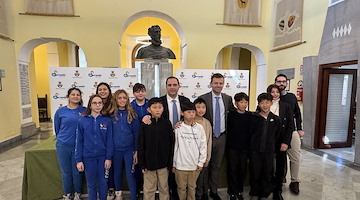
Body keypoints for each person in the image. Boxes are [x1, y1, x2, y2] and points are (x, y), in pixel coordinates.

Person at [199, 73, 235, 200]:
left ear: (223, 84)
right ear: (211, 83)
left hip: (222, 137)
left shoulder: (227, 99)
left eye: (220, 83)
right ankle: (203, 192)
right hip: (206, 137)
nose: (218, 85)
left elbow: (233, 115)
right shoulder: (203, 98)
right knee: (204, 166)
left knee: (216, 166)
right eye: (216, 83)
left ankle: (213, 191)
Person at [75, 94, 114, 200]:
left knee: (103, 183)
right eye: (94, 103)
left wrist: (108, 158)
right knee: (91, 184)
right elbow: (79, 142)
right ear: (90, 105)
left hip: (103, 158)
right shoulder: (82, 121)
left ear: (102, 105)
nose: (97, 105)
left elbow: (110, 141)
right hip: (88, 158)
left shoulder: (107, 121)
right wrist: (79, 160)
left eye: (100, 103)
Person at [137, 97, 175, 200]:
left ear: (163, 108)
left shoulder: (167, 124)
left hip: (164, 164)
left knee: (164, 187)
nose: (157, 110)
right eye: (154, 107)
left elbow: (171, 144)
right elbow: (141, 144)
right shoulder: (145, 124)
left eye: (159, 107)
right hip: (149, 164)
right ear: (149, 109)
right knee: (149, 189)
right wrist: (142, 163)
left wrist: (170, 162)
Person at [54, 88, 86, 200]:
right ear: (68, 97)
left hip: (79, 147)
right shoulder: (60, 111)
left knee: (77, 172)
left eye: (78, 95)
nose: (75, 96)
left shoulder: (84, 111)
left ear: (80, 97)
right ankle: (67, 194)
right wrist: (63, 140)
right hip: (63, 146)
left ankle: (77, 193)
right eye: (73, 94)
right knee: (66, 172)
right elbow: (57, 129)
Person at [275, 74, 304, 194]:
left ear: (287, 83)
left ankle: (294, 181)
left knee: (295, 157)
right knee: (278, 158)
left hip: (291, 131)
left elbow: (297, 113)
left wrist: (300, 128)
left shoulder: (291, 97)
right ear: (275, 82)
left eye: (283, 81)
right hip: (276, 133)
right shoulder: (270, 96)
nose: (281, 83)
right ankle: (279, 179)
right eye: (279, 81)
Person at [249, 93, 281, 200]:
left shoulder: (276, 119)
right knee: (255, 172)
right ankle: (254, 192)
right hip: (255, 151)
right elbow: (250, 133)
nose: (265, 105)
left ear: (271, 103)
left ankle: (264, 193)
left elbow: (277, 135)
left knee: (267, 172)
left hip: (269, 151)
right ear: (259, 104)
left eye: (267, 102)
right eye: (262, 103)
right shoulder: (254, 118)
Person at [173, 101, 207, 200]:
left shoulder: (200, 128)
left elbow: (203, 146)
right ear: (182, 113)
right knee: (181, 188)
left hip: (194, 165)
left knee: (192, 187)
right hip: (180, 165)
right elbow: (175, 147)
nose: (192, 114)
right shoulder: (178, 128)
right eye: (188, 112)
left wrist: (201, 162)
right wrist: (174, 164)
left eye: (193, 112)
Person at [266, 84, 294, 200]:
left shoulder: (286, 106)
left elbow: (290, 126)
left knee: (280, 165)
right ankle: (268, 186)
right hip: (267, 141)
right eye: (272, 92)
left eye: (277, 92)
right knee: (267, 165)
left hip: (281, 140)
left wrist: (285, 142)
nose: (275, 94)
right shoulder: (264, 104)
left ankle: (278, 189)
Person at [111, 90, 140, 200]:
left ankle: (133, 196)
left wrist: (136, 151)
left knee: (130, 174)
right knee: (117, 172)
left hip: (129, 150)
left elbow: (136, 134)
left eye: (124, 98)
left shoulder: (132, 114)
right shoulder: (111, 115)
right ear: (116, 100)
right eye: (119, 98)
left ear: (127, 99)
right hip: (116, 150)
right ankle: (118, 194)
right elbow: (109, 135)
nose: (122, 100)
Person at [226, 92, 252, 200]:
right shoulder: (230, 115)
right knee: (232, 170)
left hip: (245, 148)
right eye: (241, 102)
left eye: (246, 102)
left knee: (242, 170)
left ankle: (239, 191)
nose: (244, 104)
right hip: (232, 147)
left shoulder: (250, 115)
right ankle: (232, 192)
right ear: (236, 103)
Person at [130, 83, 149, 197]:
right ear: (133, 93)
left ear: (145, 92)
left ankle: (147, 190)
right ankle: (137, 190)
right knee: (137, 166)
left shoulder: (150, 104)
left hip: (148, 140)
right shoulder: (130, 106)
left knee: (147, 166)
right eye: (137, 91)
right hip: (135, 139)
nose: (140, 93)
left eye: (142, 91)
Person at [193, 98, 212, 200]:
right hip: (191, 158)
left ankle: (202, 195)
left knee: (202, 179)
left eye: (203, 107)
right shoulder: (189, 121)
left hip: (203, 157)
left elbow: (209, 141)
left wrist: (207, 158)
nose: (201, 110)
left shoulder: (207, 123)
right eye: (198, 107)